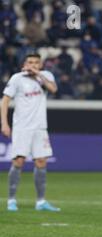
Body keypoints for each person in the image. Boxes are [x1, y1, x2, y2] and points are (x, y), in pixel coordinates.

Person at [1, 53, 60, 212]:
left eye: (36, 62)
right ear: (24, 64)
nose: (33, 65)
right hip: (22, 127)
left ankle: (41, 202)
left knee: (41, 162)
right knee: (18, 161)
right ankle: (11, 200)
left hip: (40, 127)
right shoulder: (17, 78)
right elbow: (5, 100)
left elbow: (53, 89)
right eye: (30, 62)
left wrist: (38, 74)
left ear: (40, 65)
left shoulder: (45, 76)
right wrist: (4, 123)